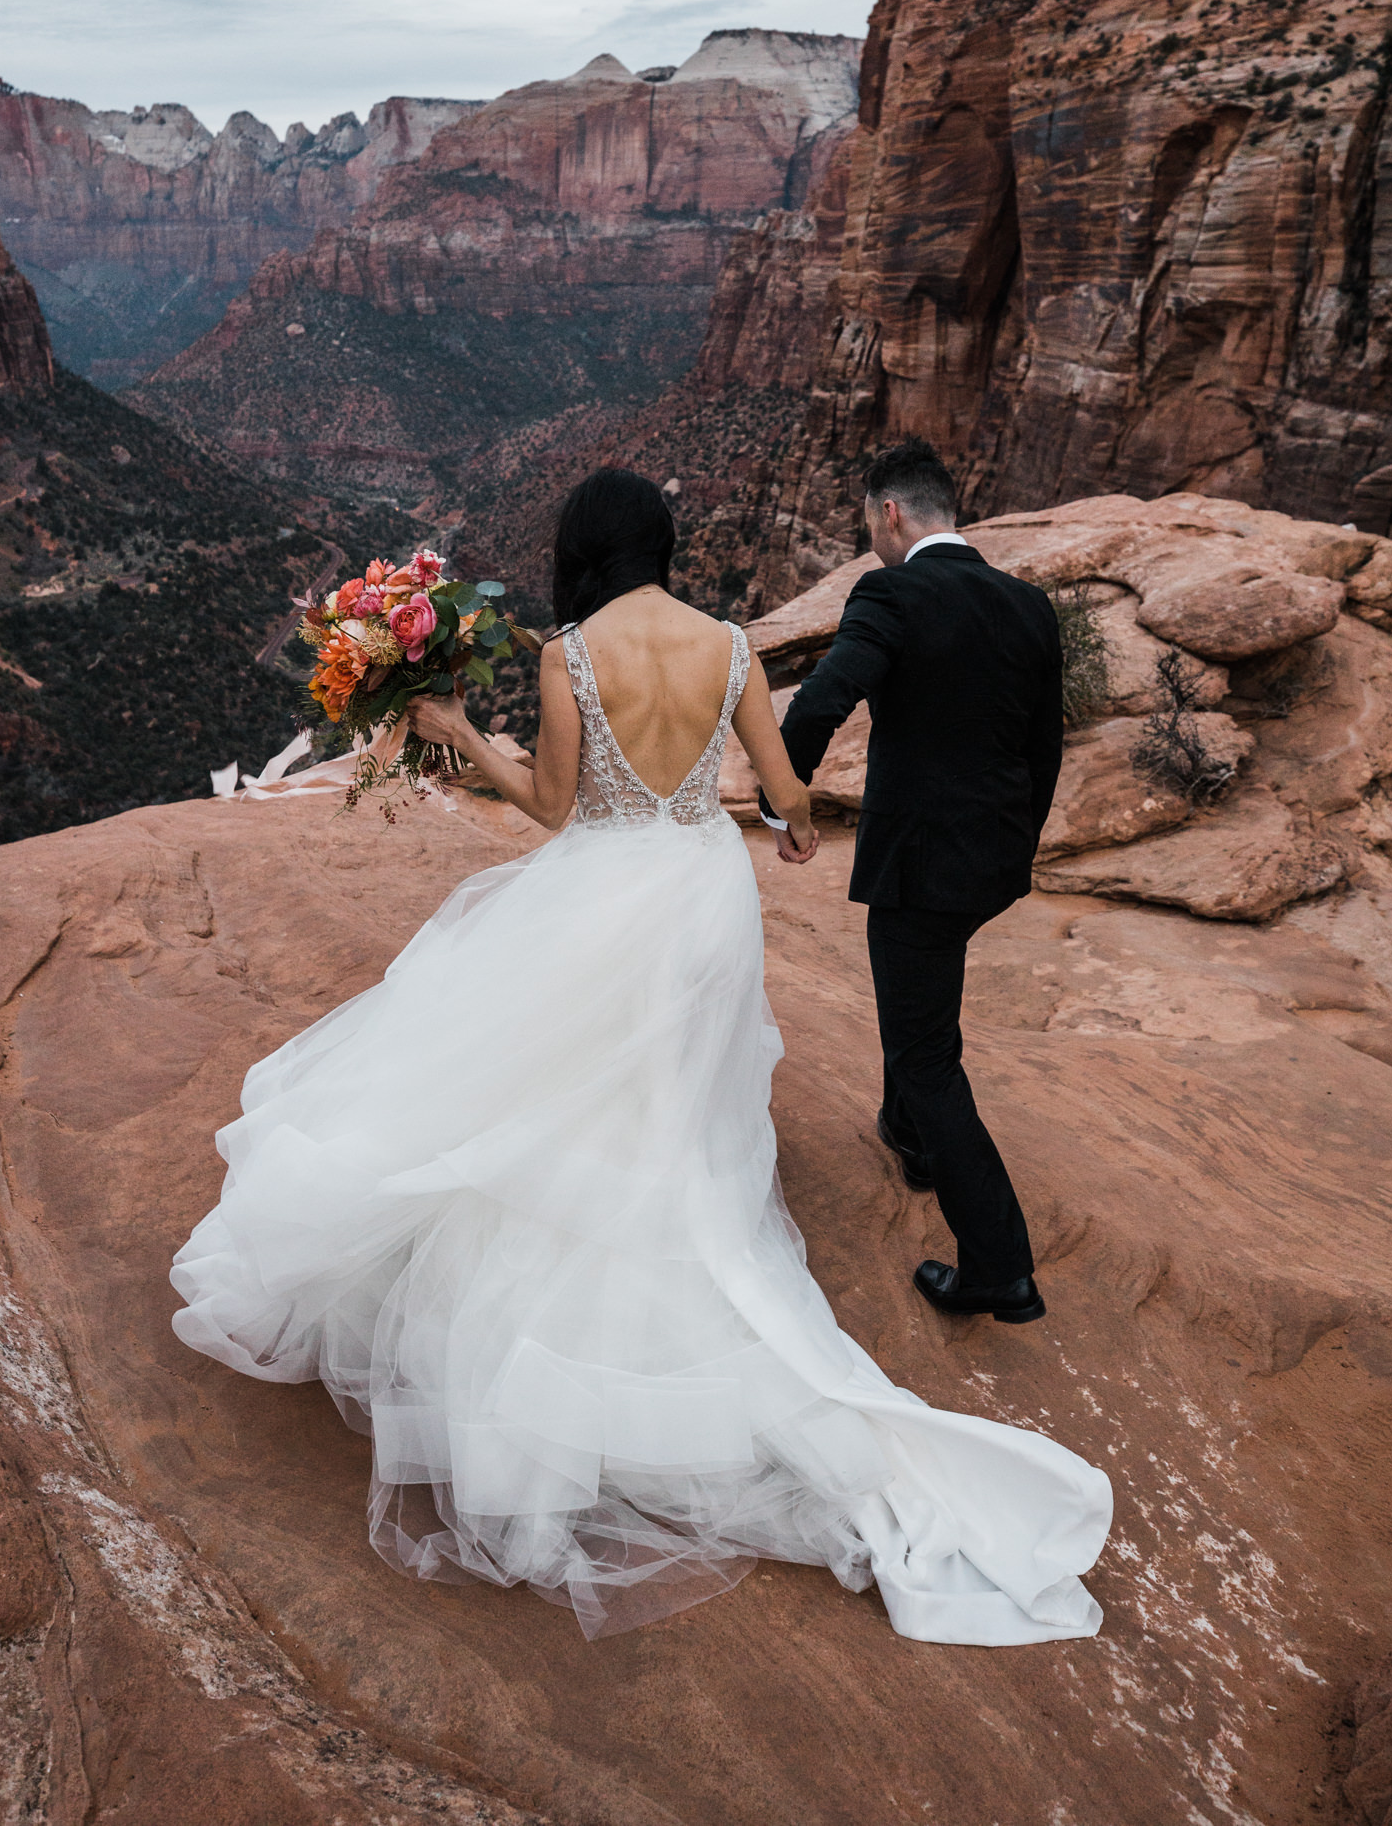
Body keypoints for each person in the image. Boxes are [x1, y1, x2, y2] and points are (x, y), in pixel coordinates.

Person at [170, 467, 1109, 1643]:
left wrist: (460, 735)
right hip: (700, 887)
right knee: (677, 1096)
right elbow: (783, 793)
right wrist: (795, 832)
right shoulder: (726, 646)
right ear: (663, 544)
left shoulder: (569, 652)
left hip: (602, 887)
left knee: (553, 1074)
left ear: (585, 549)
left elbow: (556, 809)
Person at [764, 435, 1062, 1325]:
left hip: (920, 868)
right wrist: (1017, 845)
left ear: (889, 513)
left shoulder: (890, 589)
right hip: (994, 861)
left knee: (927, 1050)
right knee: (922, 1002)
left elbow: (822, 698)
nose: (871, 538)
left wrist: (786, 806)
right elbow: (1043, 747)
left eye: (869, 522)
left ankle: (998, 1267)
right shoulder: (1028, 605)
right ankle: (910, 1138)